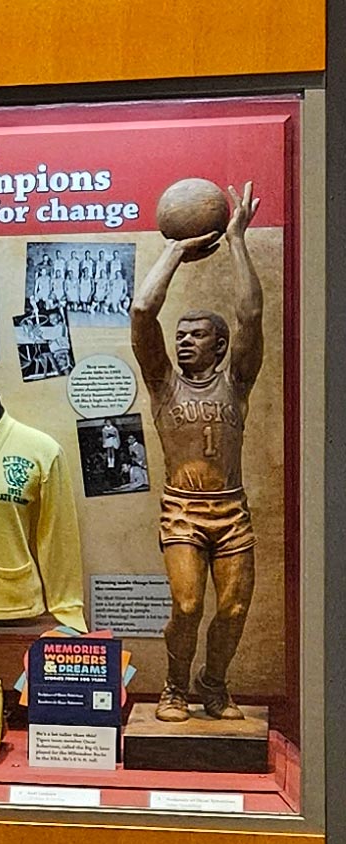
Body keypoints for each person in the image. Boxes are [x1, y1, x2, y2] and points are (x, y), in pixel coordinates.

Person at [131, 181, 263, 722]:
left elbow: (251, 315)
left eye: (196, 334)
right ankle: (174, 687)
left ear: (220, 344)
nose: (183, 341)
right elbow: (142, 309)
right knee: (187, 605)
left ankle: (215, 686)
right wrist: (175, 249)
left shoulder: (236, 382)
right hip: (183, 510)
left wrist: (235, 240)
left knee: (232, 609)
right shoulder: (163, 383)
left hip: (231, 511)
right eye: (179, 334)